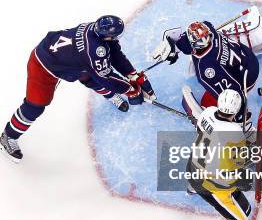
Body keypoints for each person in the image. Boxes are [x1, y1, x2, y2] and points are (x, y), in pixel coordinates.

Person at [0, 16, 155, 162]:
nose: (117, 39)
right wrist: (130, 89)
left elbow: (115, 54)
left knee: (90, 76)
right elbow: (106, 78)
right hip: (44, 65)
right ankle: (8, 136)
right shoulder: (94, 50)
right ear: (107, 35)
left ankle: (111, 96)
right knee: (35, 105)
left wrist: (133, 75)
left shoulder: (96, 30)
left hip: (69, 58)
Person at [186, 89, 258, 220]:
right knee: (240, 219)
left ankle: (191, 188)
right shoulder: (234, 132)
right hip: (211, 185)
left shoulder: (207, 112)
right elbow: (240, 162)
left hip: (193, 168)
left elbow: (204, 129)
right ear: (235, 110)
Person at [153, 18, 262, 120]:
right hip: (248, 57)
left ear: (194, 49)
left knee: (209, 101)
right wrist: (175, 45)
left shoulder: (207, 70)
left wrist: (240, 116)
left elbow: (234, 91)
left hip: (247, 78)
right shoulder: (210, 30)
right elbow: (203, 27)